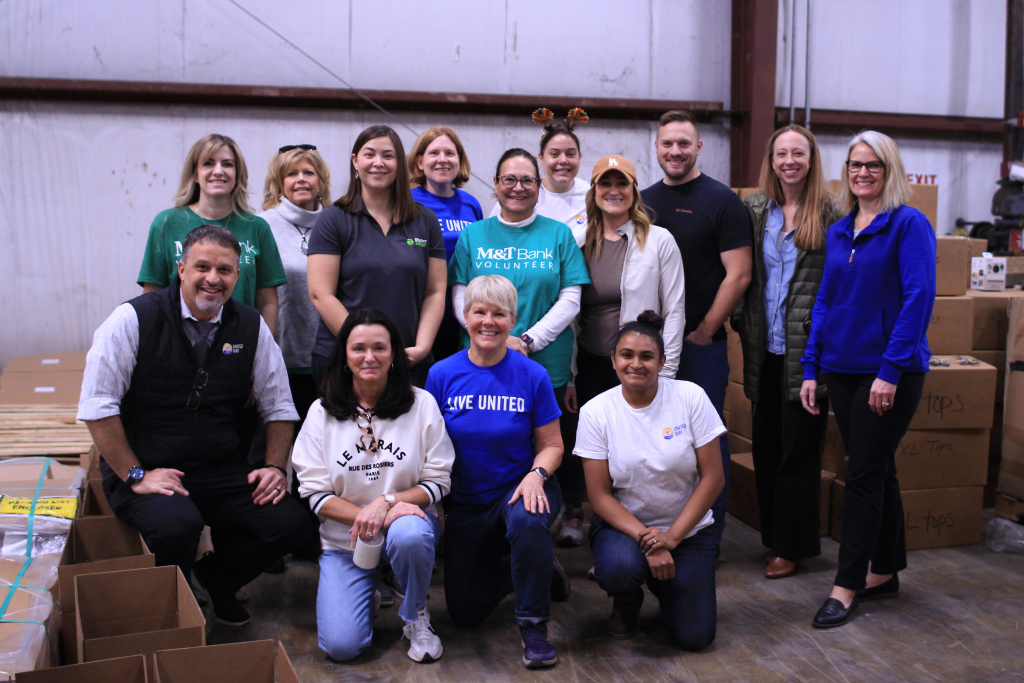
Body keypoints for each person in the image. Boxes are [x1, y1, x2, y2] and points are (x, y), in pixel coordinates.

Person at [79, 225, 316, 627]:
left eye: (224, 270)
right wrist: (136, 474)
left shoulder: (250, 325)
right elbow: (97, 406)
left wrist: (275, 467)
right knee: (178, 525)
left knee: (294, 523)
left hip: (219, 465)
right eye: (202, 266)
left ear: (237, 277)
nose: (213, 278)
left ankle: (218, 579)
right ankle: (176, 608)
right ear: (181, 268)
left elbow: (279, 406)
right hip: (148, 467)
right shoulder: (132, 319)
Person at [800, 131, 935, 628]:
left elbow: (918, 299)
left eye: (873, 165)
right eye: (855, 165)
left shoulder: (908, 224)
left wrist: (890, 370)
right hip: (840, 368)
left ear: (889, 170)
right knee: (877, 469)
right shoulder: (839, 230)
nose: (862, 173)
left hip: (888, 374)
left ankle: (847, 585)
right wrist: (812, 366)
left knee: (861, 476)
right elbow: (824, 302)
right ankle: (887, 571)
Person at [292, 308, 454, 663]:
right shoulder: (321, 412)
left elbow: (438, 480)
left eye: (380, 348)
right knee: (341, 647)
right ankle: (369, 585)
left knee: (409, 534)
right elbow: (315, 494)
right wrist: (371, 515)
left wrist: (388, 503)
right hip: (345, 542)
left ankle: (415, 613)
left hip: (407, 524)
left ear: (394, 355)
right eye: (359, 348)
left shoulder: (421, 404)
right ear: (344, 357)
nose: (369, 357)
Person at [426, 275, 569, 670]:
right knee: (465, 614)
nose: (488, 322)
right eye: (480, 312)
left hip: (520, 486)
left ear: (513, 319)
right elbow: (428, 445)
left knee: (528, 519)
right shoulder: (441, 375)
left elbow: (553, 445)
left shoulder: (531, 375)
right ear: (466, 316)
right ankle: (537, 567)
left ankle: (534, 627)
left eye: (499, 314)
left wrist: (537, 475)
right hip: (467, 500)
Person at [576, 311, 725, 649]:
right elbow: (599, 498)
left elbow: (713, 478)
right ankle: (628, 597)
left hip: (688, 530)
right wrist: (650, 541)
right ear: (613, 360)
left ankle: (666, 585)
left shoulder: (690, 397)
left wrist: (671, 538)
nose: (636, 364)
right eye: (626, 355)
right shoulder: (596, 412)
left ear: (662, 361)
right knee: (617, 569)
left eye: (647, 356)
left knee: (695, 638)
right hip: (625, 529)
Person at [731, 125, 839, 579]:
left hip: (807, 353)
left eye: (799, 153)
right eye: (781, 154)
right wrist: (739, 318)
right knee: (768, 447)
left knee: (799, 452)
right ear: (771, 161)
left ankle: (792, 547)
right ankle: (775, 537)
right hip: (764, 349)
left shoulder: (831, 213)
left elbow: (836, 284)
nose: (790, 161)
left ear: (811, 160)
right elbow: (740, 272)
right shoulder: (755, 209)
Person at [641, 110, 753, 545]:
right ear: (656, 147)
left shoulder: (721, 201)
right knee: (650, 441)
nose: (675, 151)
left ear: (699, 147)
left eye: (684, 143)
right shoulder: (643, 201)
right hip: (649, 349)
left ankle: (708, 537)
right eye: (667, 143)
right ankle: (653, 530)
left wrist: (705, 330)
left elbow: (738, 274)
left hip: (699, 348)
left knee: (705, 443)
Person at [562, 154, 685, 547]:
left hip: (638, 368)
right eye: (604, 184)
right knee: (594, 448)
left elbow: (676, 309)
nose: (613, 191)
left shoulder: (659, 241)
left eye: (622, 184)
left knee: (631, 450)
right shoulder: (576, 240)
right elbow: (567, 312)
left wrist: (667, 376)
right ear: (593, 191)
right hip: (593, 363)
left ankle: (631, 533)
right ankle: (588, 520)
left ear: (634, 191)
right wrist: (570, 372)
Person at [308, 125, 446, 390]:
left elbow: (435, 291)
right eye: (369, 154)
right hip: (345, 361)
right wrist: (365, 349)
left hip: (409, 360)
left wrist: (423, 346)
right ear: (355, 161)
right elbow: (320, 294)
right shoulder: (333, 218)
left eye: (388, 156)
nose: (378, 163)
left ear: (400, 164)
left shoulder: (425, 220)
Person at [138, 133, 287, 331]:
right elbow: (151, 296)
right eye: (208, 163)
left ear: (238, 173)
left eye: (227, 164)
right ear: (194, 173)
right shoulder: (166, 223)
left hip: (239, 343)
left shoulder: (258, 227)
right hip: (177, 346)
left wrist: (262, 348)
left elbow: (267, 302)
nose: (218, 171)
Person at [259, 144, 332, 422]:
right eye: (291, 173)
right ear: (279, 183)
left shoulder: (338, 222)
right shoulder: (262, 225)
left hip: (328, 358)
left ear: (320, 182)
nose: (300, 179)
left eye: (308, 172)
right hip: (279, 358)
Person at [408, 126, 483, 362]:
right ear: (420, 162)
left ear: (459, 161)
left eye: (450, 153)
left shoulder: (471, 205)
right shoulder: (407, 203)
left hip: (460, 313)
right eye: (434, 153)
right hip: (419, 311)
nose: (443, 160)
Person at [488, 110, 590, 235]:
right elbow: (491, 236)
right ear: (541, 158)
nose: (563, 160)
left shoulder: (591, 195)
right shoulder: (522, 193)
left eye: (570, 154)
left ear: (580, 157)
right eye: (554, 154)